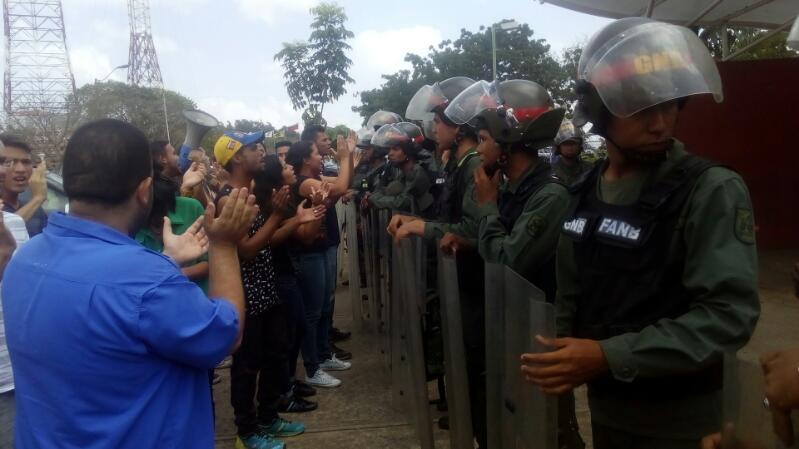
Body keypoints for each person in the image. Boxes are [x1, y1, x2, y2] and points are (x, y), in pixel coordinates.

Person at [520, 18, 760, 449]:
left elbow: (729, 317)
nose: (661, 124)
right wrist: (551, 360)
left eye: (671, 105)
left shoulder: (710, 190)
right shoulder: (584, 191)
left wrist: (607, 355)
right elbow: (570, 296)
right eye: (643, 108)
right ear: (599, 110)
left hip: (691, 424)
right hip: (609, 411)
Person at [2, 119, 257, 449]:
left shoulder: (25, 259)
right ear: (143, 190)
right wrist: (223, 245)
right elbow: (227, 333)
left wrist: (166, 259)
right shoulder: (147, 282)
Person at [214, 130, 309, 449]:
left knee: (275, 354)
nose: (262, 153)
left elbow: (266, 241)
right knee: (246, 366)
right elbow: (248, 250)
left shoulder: (251, 190)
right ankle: (247, 431)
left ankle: (268, 417)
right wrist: (280, 216)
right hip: (246, 296)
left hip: (265, 290)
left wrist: (283, 219)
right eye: (255, 149)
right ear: (237, 158)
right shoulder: (229, 198)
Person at [254, 156, 325, 414]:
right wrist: (296, 219)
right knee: (283, 340)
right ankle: (282, 393)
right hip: (278, 276)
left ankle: (288, 383)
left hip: (286, 274)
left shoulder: (283, 201)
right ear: (276, 176)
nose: (290, 168)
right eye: (284, 167)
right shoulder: (270, 204)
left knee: (293, 334)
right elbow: (270, 240)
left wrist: (315, 209)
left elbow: (305, 235)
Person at [286, 136, 354, 388]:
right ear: (305, 159)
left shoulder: (314, 180)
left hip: (321, 248)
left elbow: (343, 184)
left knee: (324, 306)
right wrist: (345, 158)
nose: (321, 156)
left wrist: (350, 161)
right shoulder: (304, 184)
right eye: (316, 152)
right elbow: (339, 188)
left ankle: (324, 356)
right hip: (309, 253)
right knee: (313, 311)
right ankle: (313, 367)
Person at [0, 138, 31, 449]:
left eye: (24, 161)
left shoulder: (14, 224)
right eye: (6, 162)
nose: (16, 169)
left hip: (14, 372)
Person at [365, 122, 434, 217]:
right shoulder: (402, 172)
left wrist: (373, 199)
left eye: (395, 149)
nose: (390, 153)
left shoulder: (417, 172)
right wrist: (368, 195)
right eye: (389, 149)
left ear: (408, 151)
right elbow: (384, 189)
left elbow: (402, 201)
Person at [0, 135, 48, 236]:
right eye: (9, 162)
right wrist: (38, 198)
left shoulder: (36, 209)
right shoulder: (34, 203)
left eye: (26, 162)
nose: (20, 169)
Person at [551, 120, 592, 186]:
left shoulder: (589, 170)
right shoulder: (551, 171)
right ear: (558, 147)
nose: (570, 148)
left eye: (573, 143)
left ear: (579, 146)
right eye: (565, 144)